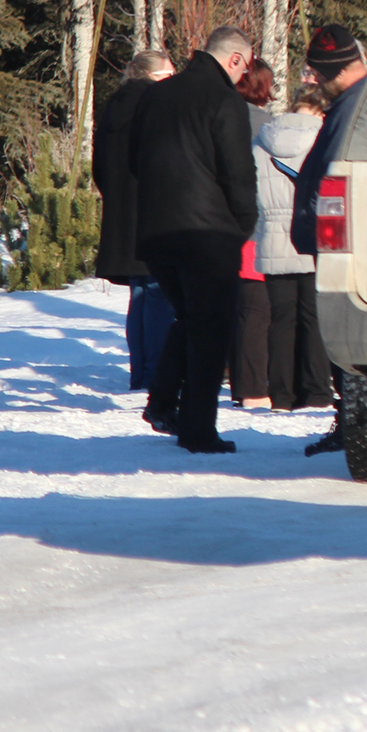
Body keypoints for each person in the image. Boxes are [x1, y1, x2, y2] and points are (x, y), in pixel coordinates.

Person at [130, 26, 260, 453]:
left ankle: (163, 401)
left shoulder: (154, 96)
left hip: (157, 230)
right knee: (211, 331)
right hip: (208, 233)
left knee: (189, 318)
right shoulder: (225, 101)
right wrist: (242, 225)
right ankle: (198, 429)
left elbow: (133, 160)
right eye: (247, 65)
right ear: (236, 59)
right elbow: (238, 173)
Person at [290, 24, 367, 457]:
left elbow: (339, 178)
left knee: (344, 339)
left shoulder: (353, 108)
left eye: (317, 74)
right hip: (351, 240)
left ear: (327, 73)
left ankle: (356, 426)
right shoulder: (362, 101)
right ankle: (356, 423)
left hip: (347, 243)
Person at [94, 50, 177, 390]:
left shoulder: (114, 105)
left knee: (141, 295)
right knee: (156, 293)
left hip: (121, 214)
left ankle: (140, 371)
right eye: (169, 76)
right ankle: (155, 372)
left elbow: (99, 166)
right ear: (154, 78)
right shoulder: (155, 106)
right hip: (153, 210)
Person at [253, 87, 333, 412]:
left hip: (272, 235)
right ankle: (316, 391)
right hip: (310, 236)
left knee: (281, 320)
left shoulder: (261, 141)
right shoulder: (324, 139)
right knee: (313, 318)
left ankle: (282, 394)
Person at [231, 60, 276, 409]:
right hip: (255, 226)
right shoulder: (265, 127)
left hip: (221, 225)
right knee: (256, 310)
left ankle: (234, 375)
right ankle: (253, 387)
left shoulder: (217, 115)